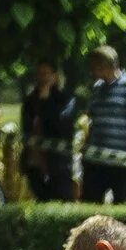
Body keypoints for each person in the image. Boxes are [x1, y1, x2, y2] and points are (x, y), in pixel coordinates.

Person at [79, 45, 126, 205]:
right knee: (89, 202)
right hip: (96, 158)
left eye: (95, 67)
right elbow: (92, 119)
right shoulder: (97, 87)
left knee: (123, 203)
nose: (92, 71)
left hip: (122, 158)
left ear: (107, 66)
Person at [20, 60, 75, 202]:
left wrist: (46, 101)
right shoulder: (30, 100)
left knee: (62, 198)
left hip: (57, 162)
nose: (42, 78)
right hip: (34, 161)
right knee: (40, 198)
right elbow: (26, 127)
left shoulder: (65, 100)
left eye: (46, 74)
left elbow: (61, 127)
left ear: (55, 76)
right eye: (39, 74)